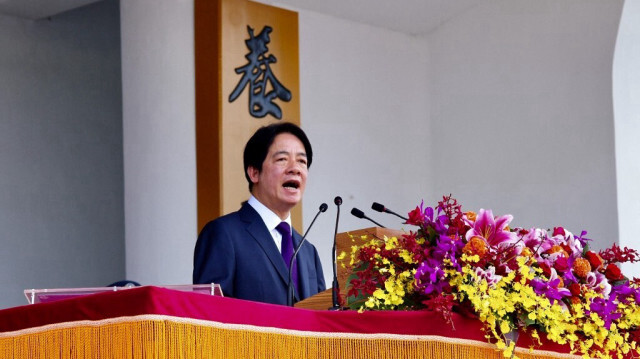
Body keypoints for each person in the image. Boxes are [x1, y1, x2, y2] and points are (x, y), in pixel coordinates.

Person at [193, 122, 326, 305]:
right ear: (254, 173)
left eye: (302, 161)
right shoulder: (223, 234)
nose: (295, 168)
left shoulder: (308, 251)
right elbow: (209, 313)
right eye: (282, 159)